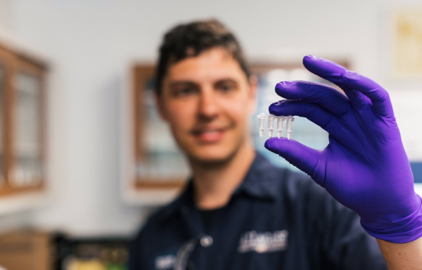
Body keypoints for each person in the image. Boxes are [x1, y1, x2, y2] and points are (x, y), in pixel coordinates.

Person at [129, 19, 422, 270]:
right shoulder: (152, 235)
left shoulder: (320, 207)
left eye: (225, 87)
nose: (208, 108)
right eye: (185, 90)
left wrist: (398, 227)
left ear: (250, 93)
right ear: (162, 106)